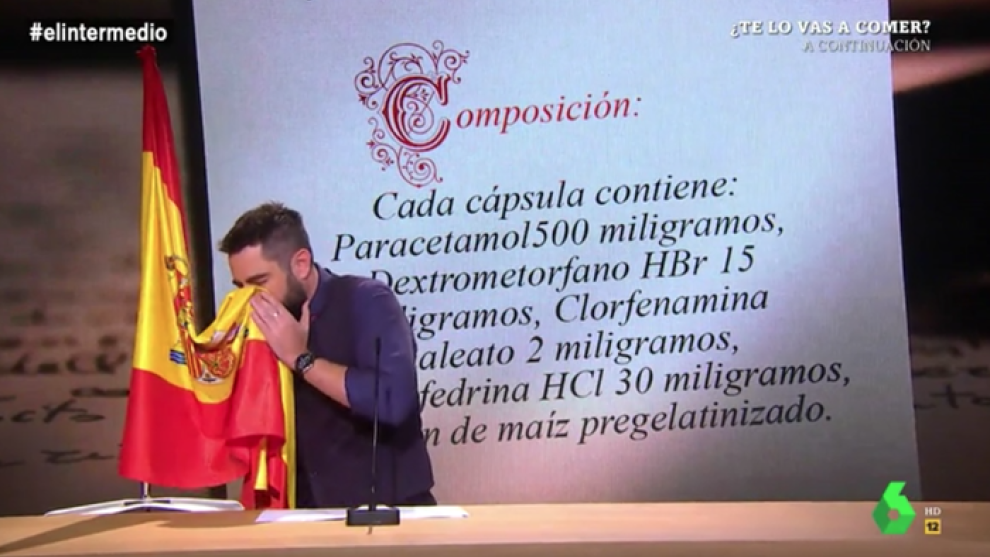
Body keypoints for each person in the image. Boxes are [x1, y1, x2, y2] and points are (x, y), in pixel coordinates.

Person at [217, 202, 436, 508]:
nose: (248, 299)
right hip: (299, 517)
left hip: (387, 515)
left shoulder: (367, 300)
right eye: (239, 287)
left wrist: (301, 359)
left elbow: (391, 401)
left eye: (258, 283)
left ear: (301, 264)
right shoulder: (253, 329)